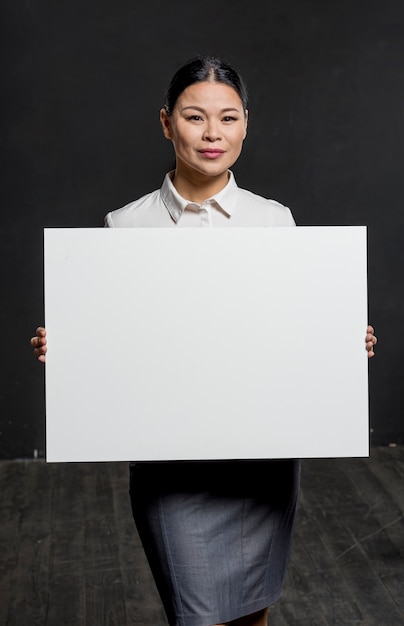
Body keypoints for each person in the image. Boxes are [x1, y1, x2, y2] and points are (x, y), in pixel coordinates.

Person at [31, 57, 378, 626]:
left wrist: (340, 341)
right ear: (167, 124)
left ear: (246, 125)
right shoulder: (126, 226)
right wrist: (70, 344)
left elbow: (292, 333)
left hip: (261, 459)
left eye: (228, 118)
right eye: (195, 117)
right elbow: (117, 346)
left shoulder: (275, 222)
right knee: (196, 616)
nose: (213, 134)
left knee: (250, 612)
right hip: (173, 463)